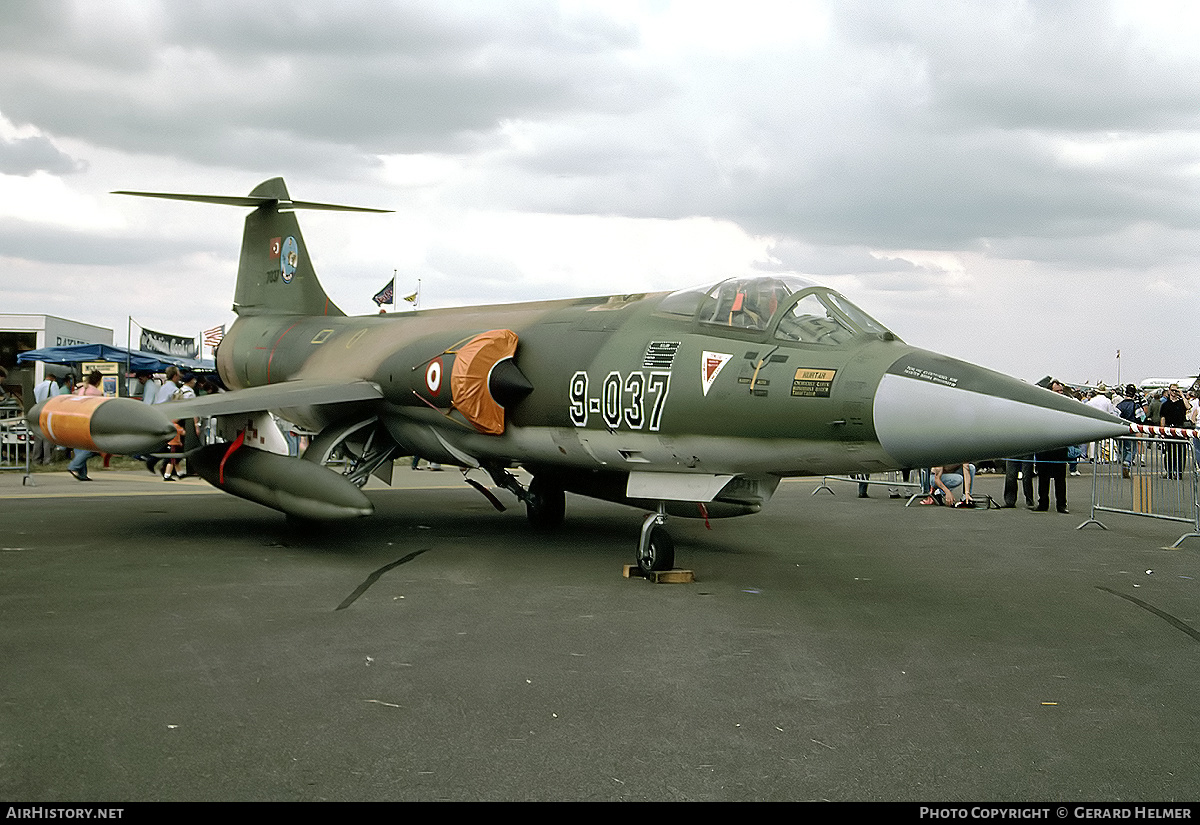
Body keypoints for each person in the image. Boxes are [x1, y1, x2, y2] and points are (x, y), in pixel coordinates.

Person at [1032, 379, 1070, 513]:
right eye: (1057, 391)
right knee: (1043, 476)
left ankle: (1061, 504)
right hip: (1045, 445)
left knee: (1060, 477)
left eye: (1061, 391)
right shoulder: (1043, 406)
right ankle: (1043, 503)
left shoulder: (1066, 406)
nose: (1060, 393)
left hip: (1060, 445)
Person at [66, 370, 104, 481]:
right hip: (88, 421)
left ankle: (82, 474)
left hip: (75, 420)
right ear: (98, 381)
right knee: (92, 448)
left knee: (79, 448)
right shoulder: (97, 393)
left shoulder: (82, 389)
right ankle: (74, 466)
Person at [1159, 383, 1189, 480]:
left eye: (1176, 390)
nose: (1174, 392)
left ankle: (1179, 472)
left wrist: (1182, 395)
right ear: (1169, 391)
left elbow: (1188, 407)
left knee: (1181, 452)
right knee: (1169, 452)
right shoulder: (1165, 404)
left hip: (1180, 429)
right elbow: (1162, 418)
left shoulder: (1181, 403)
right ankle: (1170, 471)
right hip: (1169, 429)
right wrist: (1162, 431)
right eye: (1172, 390)